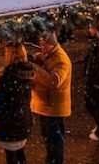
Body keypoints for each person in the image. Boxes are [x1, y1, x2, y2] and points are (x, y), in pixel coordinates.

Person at [30, 31, 71, 164]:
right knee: (48, 136)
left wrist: (36, 69)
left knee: (55, 139)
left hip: (54, 108)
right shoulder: (49, 54)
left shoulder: (61, 59)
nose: (41, 47)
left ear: (51, 44)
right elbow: (42, 59)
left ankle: (55, 161)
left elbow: (54, 81)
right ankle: (51, 160)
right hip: (46, 106)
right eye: (40, 44)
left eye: (44, 45)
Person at [0, 49, 36, 164]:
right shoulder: (28, 74)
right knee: (20, 153)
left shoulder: (8, 77)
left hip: (10, 124)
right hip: (24, 121)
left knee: (11, 157)